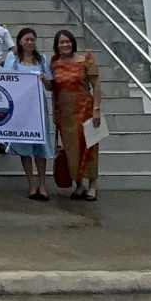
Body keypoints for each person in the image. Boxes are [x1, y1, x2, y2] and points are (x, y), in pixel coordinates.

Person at [49, 29, 100, 201]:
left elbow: (97, 86)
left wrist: (97, 109)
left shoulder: (86, 60)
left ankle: (92, 185)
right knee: (71, 151)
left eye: (68, 41)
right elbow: (52, 89)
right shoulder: (54, 63)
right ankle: (79, 185)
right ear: (56, 46)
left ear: (73, 43)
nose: (65, 45)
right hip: (66, 114)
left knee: (90, 148)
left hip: (86, 110)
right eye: (61, 42)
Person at [7, 27, 53, 200]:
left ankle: (42, 184)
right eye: (26, 39)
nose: (30, 43)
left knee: (40, 147)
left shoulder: (42, 60)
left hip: (39, 107)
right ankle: (31, 184)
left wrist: (44, 79)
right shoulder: (13, 59)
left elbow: (50, 86)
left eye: (32, 40)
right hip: (21, 107)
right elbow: (6, 80)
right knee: (25, 146)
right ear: (20, 41)